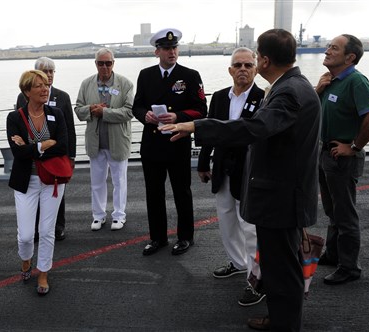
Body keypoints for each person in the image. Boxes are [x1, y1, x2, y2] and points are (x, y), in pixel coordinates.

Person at [160, 29, 321, 331]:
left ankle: (285, 325)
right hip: (282, 195)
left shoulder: (288, 92)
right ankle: (279, 317)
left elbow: (253, 128)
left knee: (283, 270)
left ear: (263, 59)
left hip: (281, 198)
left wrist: (197, 126)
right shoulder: (293, 86)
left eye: (254, 59)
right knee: (277, 267)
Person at [197, 47, 265, 306]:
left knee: (249, 226)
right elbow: (209, 130)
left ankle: (255, 277)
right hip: (222, 167)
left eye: (248, 65)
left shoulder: (263, 98)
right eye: (238, 65)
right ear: (230, 70)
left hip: (247, 170)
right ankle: (238, 263)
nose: (243, 70)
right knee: (226, 219)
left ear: (256, 69)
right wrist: (203, 163)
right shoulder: (219, 98)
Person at [315, 34, 369, 285]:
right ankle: (333, 254)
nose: (327, 50)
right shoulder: (331, 81)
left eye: (334, 48)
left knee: (345, 213)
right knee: (333, 210)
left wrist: (353, 146)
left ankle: (349, 266)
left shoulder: (355, 81)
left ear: (350, 57)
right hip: (326, 153)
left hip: (341, 156)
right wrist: (318, 90)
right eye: (329, 46)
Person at [132, 28, 207, 255]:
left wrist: (178, 117)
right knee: (154, 193)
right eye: (166, 49)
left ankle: (185, 237)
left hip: (178, 142)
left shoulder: (190, 75)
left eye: (174, 48)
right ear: (157, 52)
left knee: (181, 191)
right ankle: (158, 238)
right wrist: (144, 115)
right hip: (152, 143)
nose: (171, 52)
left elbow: (201, 110)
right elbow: (137, 105)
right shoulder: (146, 75)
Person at [7, 70, 68, 295]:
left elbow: (63, 146)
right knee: (25, 235)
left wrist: (31, 147)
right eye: (38, 86)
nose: (45, 89)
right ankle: (26, 260)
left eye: (46, 85)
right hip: (26, 181)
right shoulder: (14, 118)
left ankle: (43, 272)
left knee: (46, 229)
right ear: (26, 91)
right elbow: (18, 152)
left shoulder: (57, 114)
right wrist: (44, 145)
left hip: (52, 180)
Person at [16, 57, 76, 241]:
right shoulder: (22, 98)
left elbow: (69, 130)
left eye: (51, 71)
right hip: (33, 159)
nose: (49, 75)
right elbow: (21, 129)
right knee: (34, 194)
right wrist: (36, 148)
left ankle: (58, 226)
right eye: (45, 71)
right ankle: (35, 228)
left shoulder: (63, 96)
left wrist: (71, 156)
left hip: (57, 156)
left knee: (57, 191)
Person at [74, 48, 134, 231]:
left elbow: (129, 111)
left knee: (119, 181)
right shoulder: (86, 84)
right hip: (96, 142)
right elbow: (78, 110)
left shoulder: (126, 84)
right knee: (97, 182)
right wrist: (92, 109)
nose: (105, 67)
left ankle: (119, 215)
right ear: (96, 64)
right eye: (101, 63)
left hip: (117, 141)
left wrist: (105, 112)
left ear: (113, 63)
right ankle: (98, 215)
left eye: (108, 63)